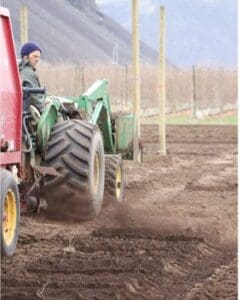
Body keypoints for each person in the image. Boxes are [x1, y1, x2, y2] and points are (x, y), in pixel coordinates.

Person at [18, 42, 44, 112]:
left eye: (38, 57)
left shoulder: (18, 69)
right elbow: (35, 99)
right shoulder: (28, 73)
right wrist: (45, 110)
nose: (37, 59)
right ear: (26, 56)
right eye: (35, 56)